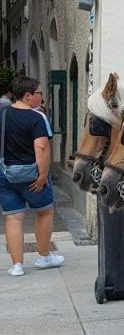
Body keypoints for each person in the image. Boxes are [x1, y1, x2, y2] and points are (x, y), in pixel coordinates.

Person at [1, 76, 63, 276]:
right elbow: (42, 147)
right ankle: (44, 257)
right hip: (32, 175)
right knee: (44, 212)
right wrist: (43, 175)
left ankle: (17, 265)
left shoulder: (2, 114)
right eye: (39, 93)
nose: (41, 98)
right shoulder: (38, 117)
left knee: (13, 217)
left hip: (6, 173)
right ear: (28, 96)